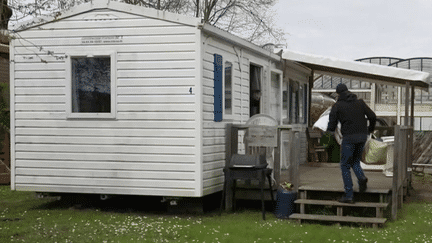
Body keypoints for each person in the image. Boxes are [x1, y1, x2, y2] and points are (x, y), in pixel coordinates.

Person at [327, 83, 376, 203]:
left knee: (344, 165)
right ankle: (362, 178)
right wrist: (370, 129)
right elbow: (373, 116)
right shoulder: (360, 102)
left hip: (349, 138)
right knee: (355, 161)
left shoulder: (337, 106)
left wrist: (329, 132)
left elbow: (332, 124)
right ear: (348, 91)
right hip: (362, 137)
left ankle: (349, 195)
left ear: (338, 93)